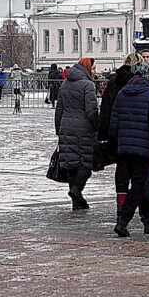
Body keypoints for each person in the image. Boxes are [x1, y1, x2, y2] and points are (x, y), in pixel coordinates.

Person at [110, 61, 149, 237]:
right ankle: (123, 220)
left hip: (124, 146)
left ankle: (148, 220)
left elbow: (114, 122)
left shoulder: (122, 93)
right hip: (143, 147)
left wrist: (119, 141)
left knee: (139, 183)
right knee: (139, 185)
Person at [55, 58, 99, 210]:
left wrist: (58, 129)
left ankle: (76, 202)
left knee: (71, 164)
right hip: (83, 129)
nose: (95, 71)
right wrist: (97, 128)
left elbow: (59, 108)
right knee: (85, 163)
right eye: (93, 68)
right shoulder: (88, 85)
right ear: (86, 69)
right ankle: (76, 190)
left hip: (66, 127)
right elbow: (91, 111)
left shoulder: (65, 84)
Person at [99, 53, 140, 204]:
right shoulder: (139, 83)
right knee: (139, 168)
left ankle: (121, 202)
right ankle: (145, 202)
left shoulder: (113, 82)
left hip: (118, 132)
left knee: (122, 167)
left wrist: (105, 131)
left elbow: (106, 108)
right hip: (138, 132)